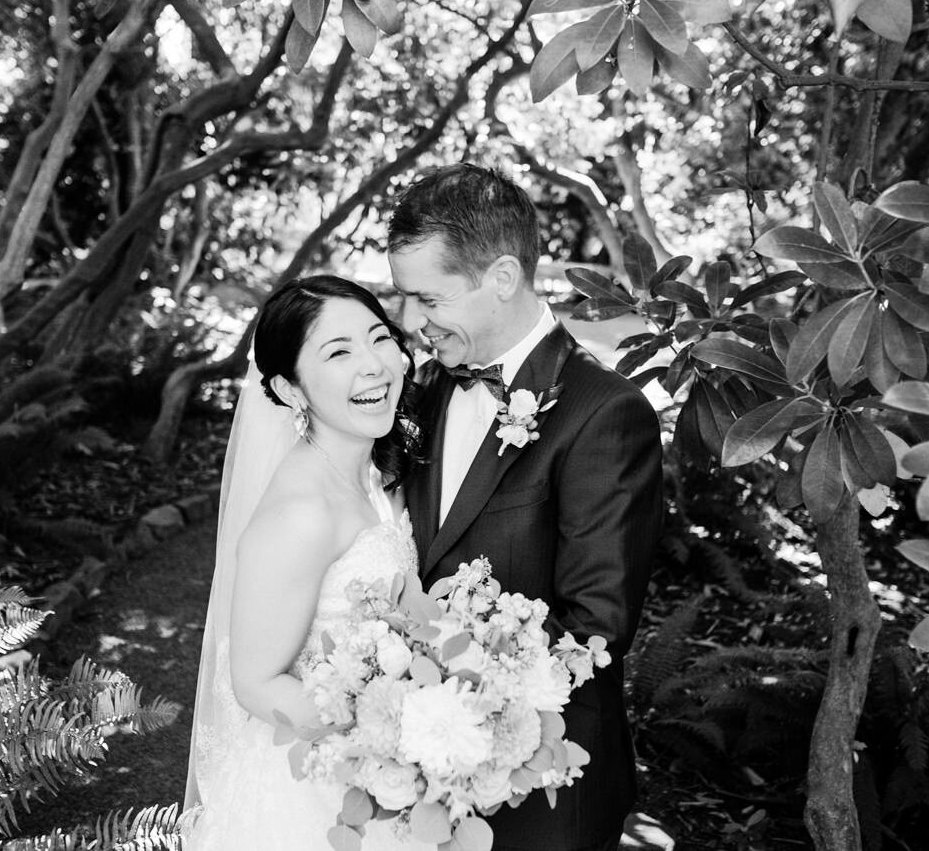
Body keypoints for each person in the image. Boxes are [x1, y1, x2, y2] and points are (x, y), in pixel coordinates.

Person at [388, 164, 664, 851]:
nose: (410, 322)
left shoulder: (606, 414)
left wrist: (453, 707)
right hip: (405, 778)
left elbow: (595, 628)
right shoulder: (417, 392)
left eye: (428, 299)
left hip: (542, 793)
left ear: (503, 279)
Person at [182, 275, 424, 850]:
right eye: (338, 353)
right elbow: (255, 683)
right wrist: (393, 732)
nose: (374, 366)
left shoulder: (375, 469)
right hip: (313, 795)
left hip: (383, 781)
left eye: (379, 338)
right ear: (291, 391)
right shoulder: (300, 514)